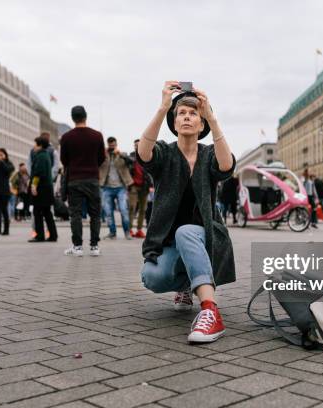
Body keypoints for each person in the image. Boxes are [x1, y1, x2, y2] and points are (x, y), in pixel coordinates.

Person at [137, 82, 236, 343]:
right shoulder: (165, 153)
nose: (187, 117)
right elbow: (143, 153)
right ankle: (184, 286)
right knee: (152, 276)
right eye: (181, 113)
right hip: (171, 239)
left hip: (207, 234)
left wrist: (213, 119)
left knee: (187, 232)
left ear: (201, 124)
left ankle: (210, 312)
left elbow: (227, 166)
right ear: (174, 121)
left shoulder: (209, 154)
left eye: (193, 114)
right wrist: (162, 108)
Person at [60, 105, 106, 257]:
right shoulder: (97, 135)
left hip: (74, 179)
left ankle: (77, 246)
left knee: (76, 214)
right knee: (95, 214)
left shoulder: (66, 137)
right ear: (85, 116)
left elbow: (64, 160)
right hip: (92, 178)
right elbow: (102, 158)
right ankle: (94, 246)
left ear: (73, 118)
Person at [100, 137, 134, 240]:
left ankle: (127, 232)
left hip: (121, 188)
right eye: (110, 145)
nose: (111, 147)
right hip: (107, 187)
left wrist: (121, 154)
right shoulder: (103, 155)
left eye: (113, 145)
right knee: (108, 212)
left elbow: (132, 161)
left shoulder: (121, 155)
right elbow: (95, 161)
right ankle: (112, 232)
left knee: (124, 210)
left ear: (116, 145)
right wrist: (102, 153)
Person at [29, 137, 58, 243]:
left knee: (38, 212)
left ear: (40, 145)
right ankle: (53, 235)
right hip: (47, 188)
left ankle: (40, 235)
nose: (34, 146)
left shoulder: (40, 156)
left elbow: (38, 172)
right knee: (47, 212)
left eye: (35, 144)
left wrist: (34, 186)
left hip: (42, 189)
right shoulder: (45, 155)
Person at [128, 139, 151, 238]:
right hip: (133, 186)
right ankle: (129, 229)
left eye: (138, 145)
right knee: (132, 208)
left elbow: (150, 172)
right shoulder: (131, 157)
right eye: (135, 145)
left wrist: (151, 185)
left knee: (143, 209)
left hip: (144, 187)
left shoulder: (147, 156)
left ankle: (139, 230)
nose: (136, 146)